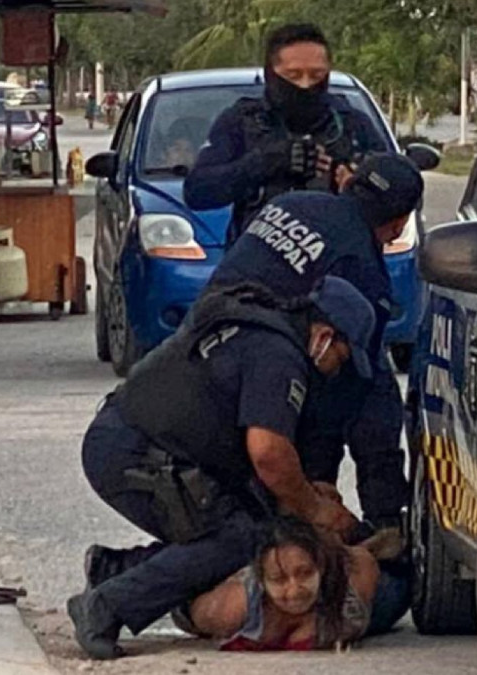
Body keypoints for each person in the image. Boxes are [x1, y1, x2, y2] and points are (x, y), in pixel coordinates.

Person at [70, 277, 376, 660]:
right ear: (324, 337)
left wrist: (306, 491)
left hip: (136, 440)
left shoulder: (262, 329)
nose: (335, 370)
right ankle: (106, 606)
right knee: (239, 538)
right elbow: (268, 454)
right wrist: (315, 509)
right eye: (341, 358)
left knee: (245, 527)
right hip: (133, 452)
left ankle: (116, 570)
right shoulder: (278, 355)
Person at [205, 153, 425, 634]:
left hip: (202, 358)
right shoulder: (362, 269)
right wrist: (324, 495)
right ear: (397, 225)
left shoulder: (294, 203)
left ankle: (139, 576)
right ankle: (385, 537)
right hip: (272, 376)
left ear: (348, 184)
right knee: (370, 392)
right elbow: (351, 386)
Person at [184, 23, 385, 245]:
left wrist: (358, 183)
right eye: (293, 75)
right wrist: (266, 162)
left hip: (339, 255)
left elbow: (399, 191)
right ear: (271, 73)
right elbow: (197, 192)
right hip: (257, 257)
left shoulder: (353, 124)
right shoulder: (242, 121)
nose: (305, 85)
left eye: (316, 75)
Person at [183, 515, 380, 651]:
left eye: (305, 573)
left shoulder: (352, 581)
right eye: (278, 579)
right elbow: (188, 613)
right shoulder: (229, 609)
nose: (294, 590)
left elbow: (364, 559)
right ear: (261, 579)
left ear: (320, 566)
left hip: (377, 604)